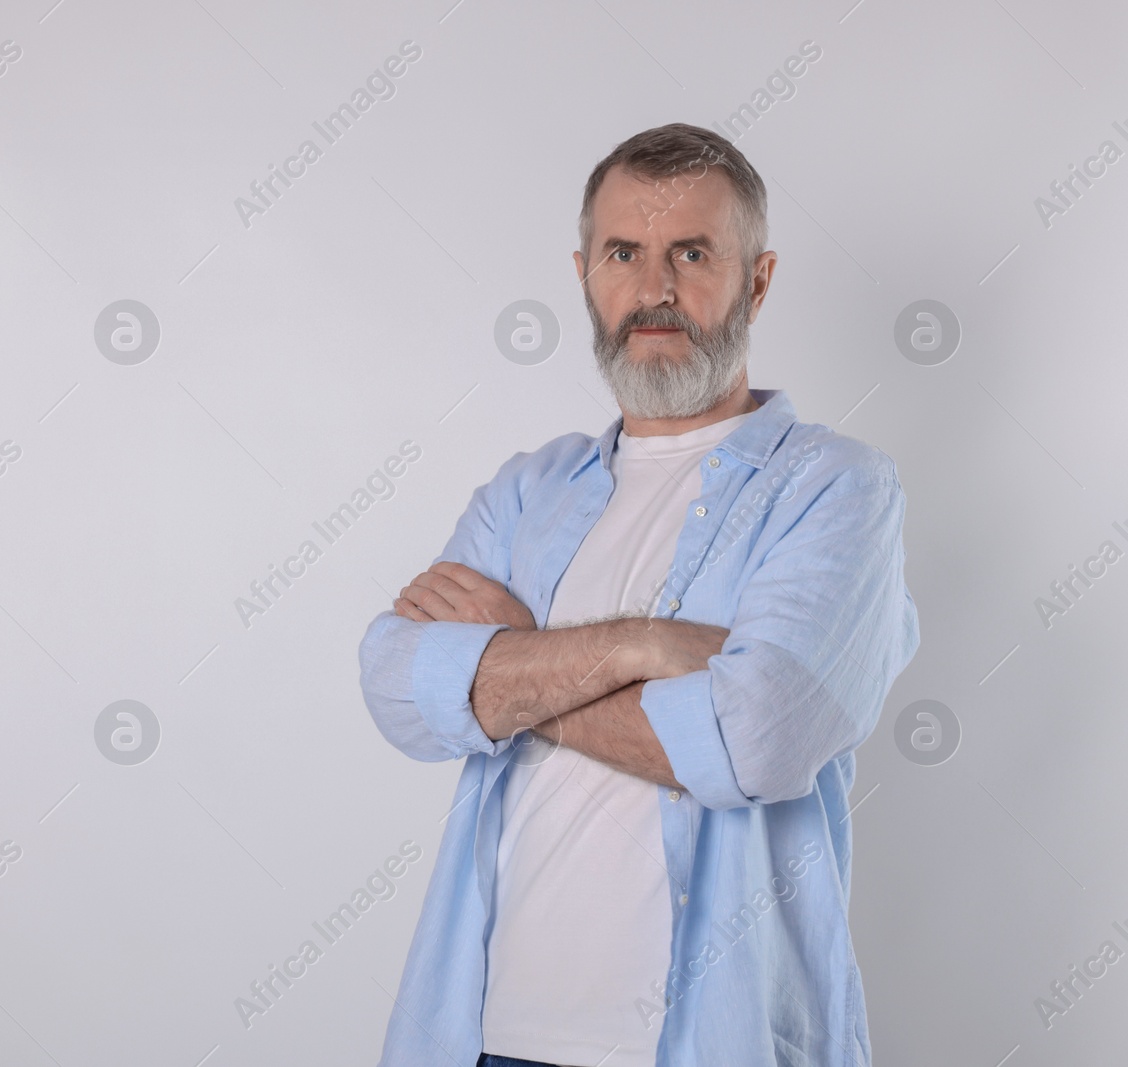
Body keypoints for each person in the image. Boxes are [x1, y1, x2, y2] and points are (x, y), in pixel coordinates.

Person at [358, 122, 920, 1067]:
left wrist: (511, 666)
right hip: (484, 1038)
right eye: (626, 252)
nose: (655, 288)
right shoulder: (529, 489)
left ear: (759, 278)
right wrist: (641, 648)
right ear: (585, 271)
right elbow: (396, 684)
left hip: (713, 1043)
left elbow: (754, 741)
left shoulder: (836, 489)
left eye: (691, 253)